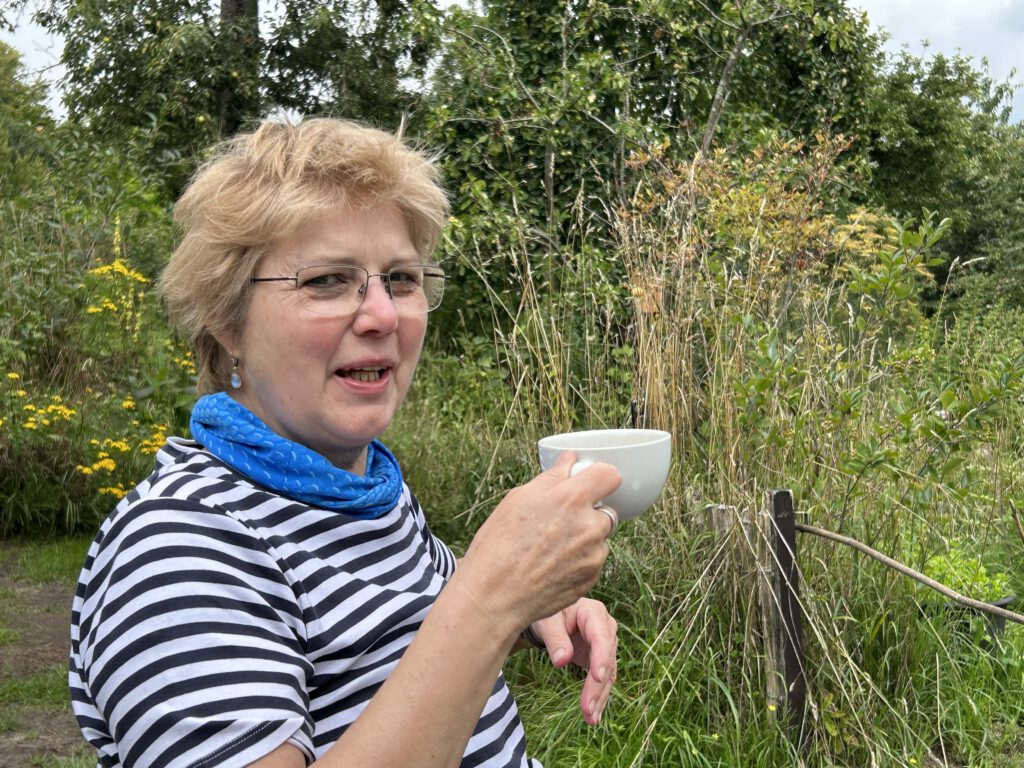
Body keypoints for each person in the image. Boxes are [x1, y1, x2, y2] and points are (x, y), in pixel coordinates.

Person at [69, 117, 622, 768]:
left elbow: (406, 640)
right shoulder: (176, 550)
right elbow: (460, 624)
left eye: (402, 279)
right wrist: (488, 602)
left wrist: (530, 612)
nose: (384, 315)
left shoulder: (363, 491)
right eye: (328, 280)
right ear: (226, 320)